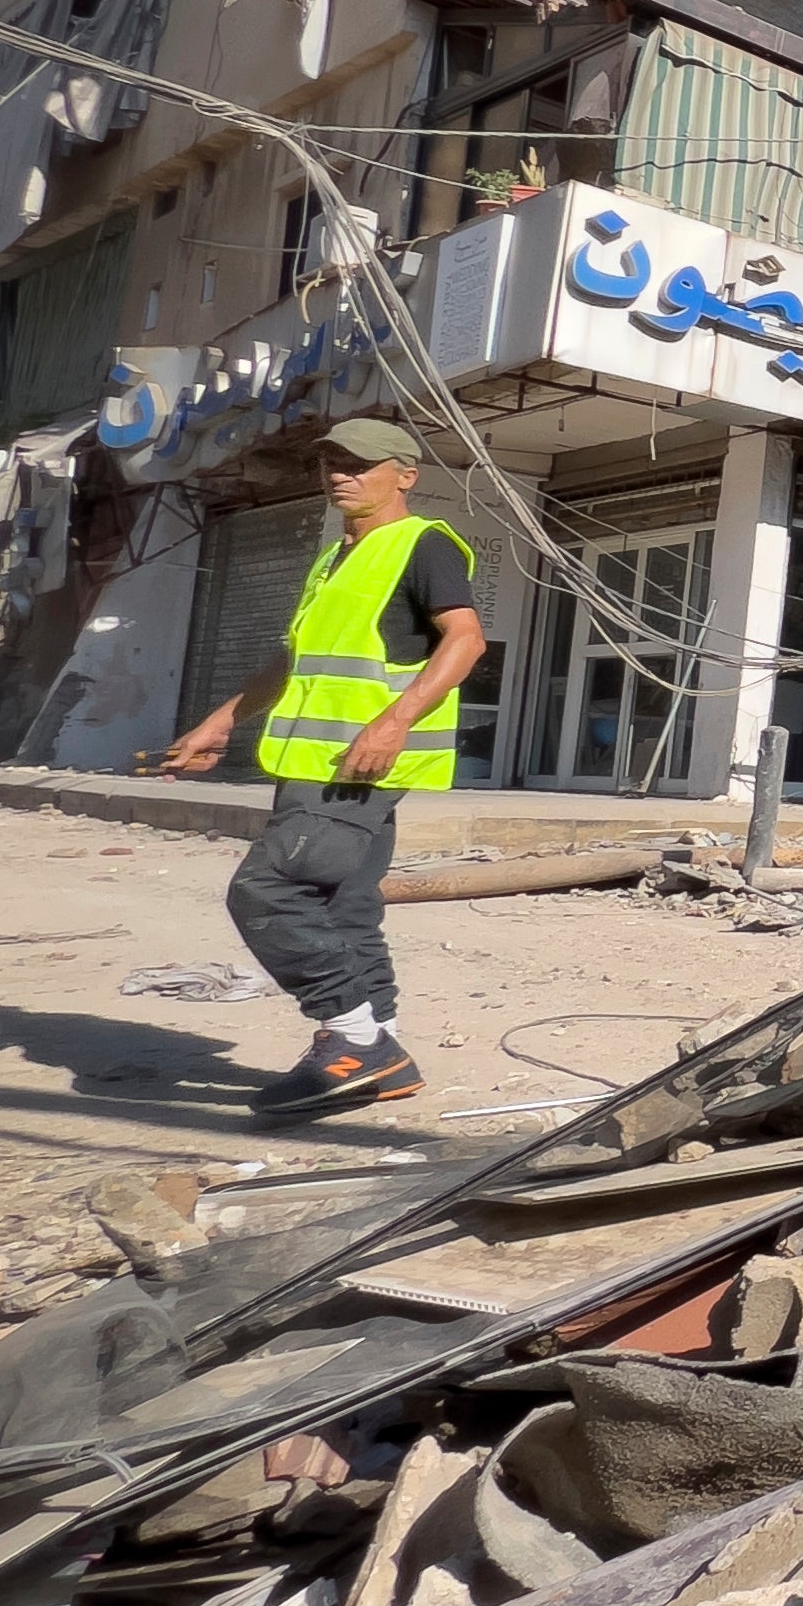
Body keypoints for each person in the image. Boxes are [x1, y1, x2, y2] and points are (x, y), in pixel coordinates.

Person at [164, 417, 487, 1116]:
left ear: (405, 475)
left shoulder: (421, 544)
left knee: (266, 890)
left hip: (357, 767)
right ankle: (382, 1052)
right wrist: (220, 721)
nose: (341, 475)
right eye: (332, 464)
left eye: (360, 464)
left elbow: (466, 641)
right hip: (312, 762)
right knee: (346, 906)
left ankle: (351, 1039)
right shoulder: (332, 557)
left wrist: (394, 721)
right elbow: (295, 661)